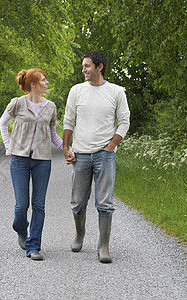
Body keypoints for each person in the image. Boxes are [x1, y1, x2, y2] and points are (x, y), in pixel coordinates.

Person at [62, 51, 130, 263]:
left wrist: (111, 146)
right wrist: (66, 147)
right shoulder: (76, 91)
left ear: (99, 67)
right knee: (77, 202)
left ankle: (103, 246)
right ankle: (79, 235)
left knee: (105, 202)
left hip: (104, 155)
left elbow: (124, 121)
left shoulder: (116, 92)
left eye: (87, 66)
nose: (83, 70)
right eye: (83, 66)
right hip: (81, 154)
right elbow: (68, 121)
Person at [0, 68, 71, 261]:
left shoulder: (51, 107)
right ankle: (20, 229)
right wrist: (8, 146)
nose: (47, 83)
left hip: (42, 161)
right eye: (43, 80)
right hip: (19, 160)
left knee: (38, 205)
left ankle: (34, 246)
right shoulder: (17, 104)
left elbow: (53, 135)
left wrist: (67, 149)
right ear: (33, 84)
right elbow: (2, 123)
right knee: (21, 205)